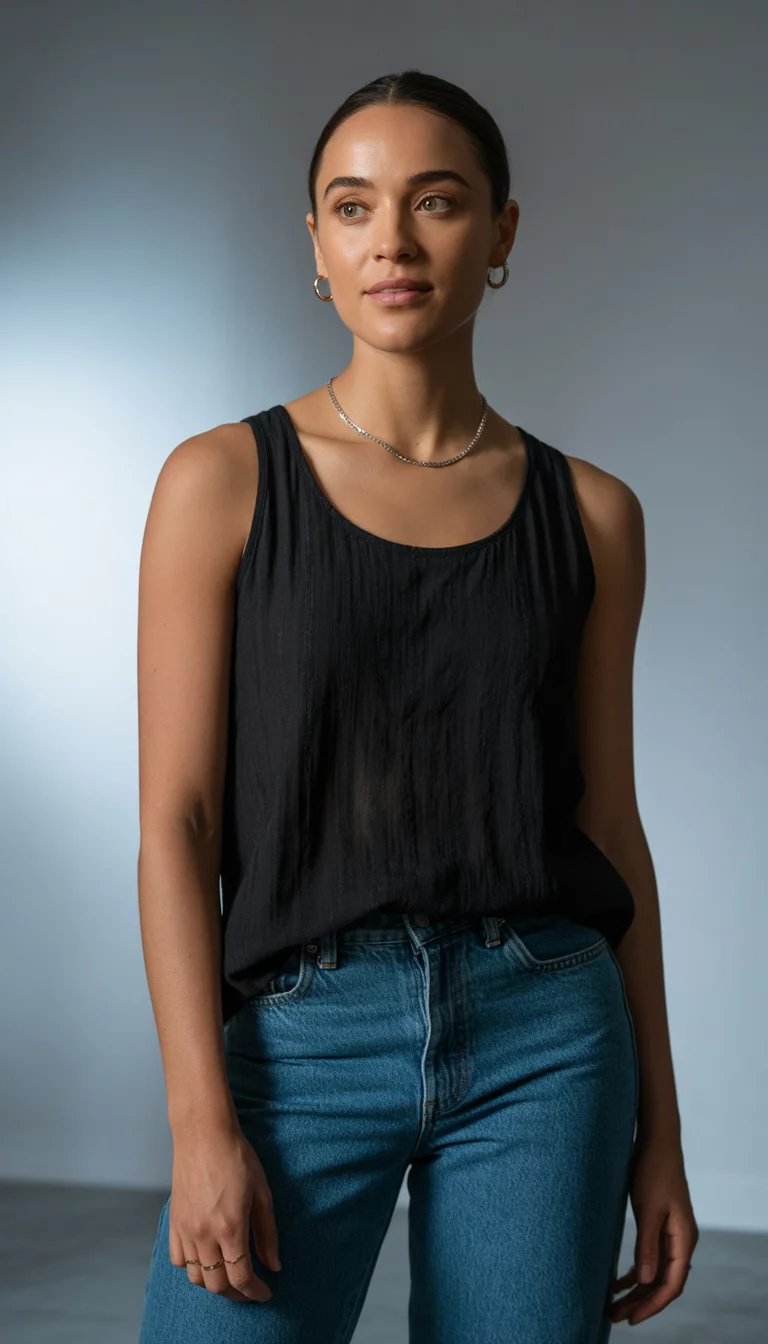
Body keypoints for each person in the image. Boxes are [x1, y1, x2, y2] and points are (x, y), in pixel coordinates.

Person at [136, 68, 697, 1343]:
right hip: (297, 1042)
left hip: (545, 1038)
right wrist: (199, 1118)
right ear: (318, 246)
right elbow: (176, 824)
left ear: (500, 235)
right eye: (353, 207)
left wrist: (660, 1134)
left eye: (435, 201)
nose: (391, 239)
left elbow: (611, 823)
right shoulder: (222, 483)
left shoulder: (594, 514)